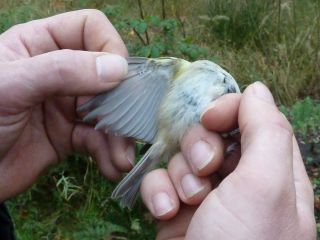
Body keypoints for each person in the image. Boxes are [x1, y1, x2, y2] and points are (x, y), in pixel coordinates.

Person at [0, 10, 315, 240]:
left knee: (197, 157)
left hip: (182, 136)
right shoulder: (176, 68)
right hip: (172, 130)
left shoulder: (215, 90)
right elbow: (138, 80)